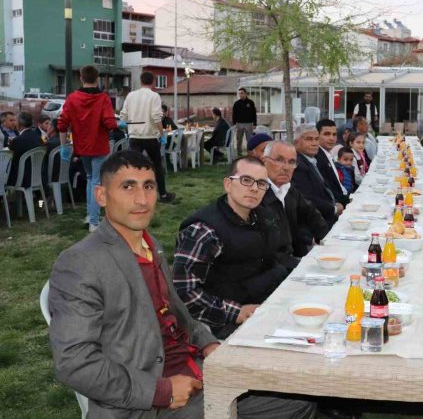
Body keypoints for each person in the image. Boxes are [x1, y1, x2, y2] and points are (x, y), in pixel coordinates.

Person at [48, 150, 220, 418]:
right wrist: (161, 392)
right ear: (101, 196)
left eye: (148, 186)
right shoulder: (79, 264)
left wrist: (209, 343)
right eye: (128, 186)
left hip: (194, 369)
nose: (142, 200)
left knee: (292, 395)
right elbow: (75, 362)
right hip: (148, 403)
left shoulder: (152, 246)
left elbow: (176, 315)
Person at [174, 156, 288, 340]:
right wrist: (236, 312)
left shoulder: (262, 216)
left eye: (261, 183)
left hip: (265, 305)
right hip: (223, 325)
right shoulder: (203, 231)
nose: (254, 188)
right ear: (228, 184)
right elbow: (184, 293)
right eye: (246, 180)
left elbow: (274, 257)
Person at [58, 65, 122, 230]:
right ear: (97, 78)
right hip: (99, 146)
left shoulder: (72, 98)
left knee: (90, 179)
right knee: (96, 182)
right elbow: (109, 122)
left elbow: (62, 124)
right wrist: (119, 124)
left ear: (81, 77)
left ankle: (90, 215)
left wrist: (63, 145)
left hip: (81, 147)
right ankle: (94, 221)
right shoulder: (103, 98)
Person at [262, 140, 329, 268]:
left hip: (293, 258)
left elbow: (313, 215)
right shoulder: (256, 194)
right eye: (279, 160)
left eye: (292, 162)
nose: (286, 167)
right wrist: (300, 264)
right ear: (264, 161)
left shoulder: (288, 189)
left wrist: (327, 242)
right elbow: (271, 251)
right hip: (271, 268)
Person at [120, 71, 176, 203]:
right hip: (150, 137)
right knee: (157, 166)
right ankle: (162, 194)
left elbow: (123, 117)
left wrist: (127, 126)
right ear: (153, 82)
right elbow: (156, 117)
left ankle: (131, 195)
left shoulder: (131, 96)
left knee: (133, 168)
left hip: (134, 136)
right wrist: (162, 134)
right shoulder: (154, 96)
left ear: (140, 81)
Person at [292, 124, 344, 227]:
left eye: (316, 139)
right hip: (317, 223)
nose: (314, 143)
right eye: (309, 139)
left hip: (328, 214)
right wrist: (334, 209)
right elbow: (308, 199)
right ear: (296, 143)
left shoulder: (311, 160)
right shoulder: (299, 166)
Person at [315, 119, 349, 206]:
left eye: (334, 134)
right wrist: (350, 200)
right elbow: (329, 190)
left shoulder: (328, 154)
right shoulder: (318, 158)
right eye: (327, 134)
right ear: (317, 135)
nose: (331, 138)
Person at [7, 112, 43, 187]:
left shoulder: (18, 140)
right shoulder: (38, 137)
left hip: (22, 178)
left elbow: (13, 160)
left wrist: (11, 145)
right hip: (37, 176)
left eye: (16, 120)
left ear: (19, 123)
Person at [233, 87, 257, 156]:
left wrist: (254, 123)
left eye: (242, 93)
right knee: (239, 139)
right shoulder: (236, 103)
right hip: (239, 124)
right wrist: (235, 124)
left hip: (249, 124)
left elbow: (254, 113)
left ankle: (249, 153)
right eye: (239, 93)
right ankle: (239, 153)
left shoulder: (250, 103)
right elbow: (234, 115)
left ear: (246, 94)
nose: (240, 95)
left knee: (249, 139)